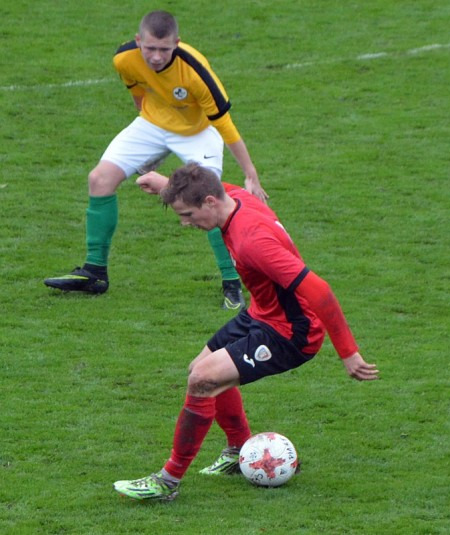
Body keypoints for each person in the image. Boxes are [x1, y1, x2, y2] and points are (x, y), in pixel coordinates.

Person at [113, 164, 378, 501]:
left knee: (203, 380)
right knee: (199, 370)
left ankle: (167, 481)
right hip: (262, 314)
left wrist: (348, 353)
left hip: (292, 332)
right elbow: (202, 186)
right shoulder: (233, 197)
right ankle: (238, 449)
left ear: (210, 203)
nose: (185, 223)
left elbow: (320, 290)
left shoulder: (253, 241)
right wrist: (165, 184)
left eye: (188, 214)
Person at [44, 10, 267, 309]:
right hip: (151, 124)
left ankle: (231, 281)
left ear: (177, 43)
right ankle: (94, 273)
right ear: (139, 41)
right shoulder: (124, 59)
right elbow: (138, 91)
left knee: (209, 199)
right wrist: (151, 146)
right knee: (99, 179)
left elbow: (226, 127)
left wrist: (250, 173)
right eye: (150, 48)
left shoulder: (196, 72)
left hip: (198, 132)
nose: (157, 57)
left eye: (164, 49)